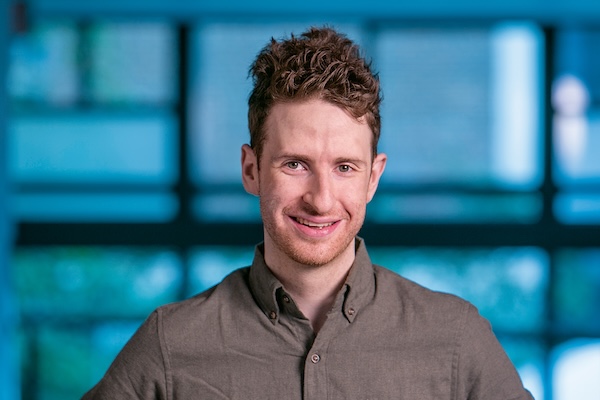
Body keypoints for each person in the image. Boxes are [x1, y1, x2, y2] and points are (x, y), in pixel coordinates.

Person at [83, 26, 533, 399]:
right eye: (295, 164)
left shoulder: (455, 339)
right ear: (251, 169)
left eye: (344, 167)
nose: (320, 199)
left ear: (373, 178)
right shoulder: (170, 344)